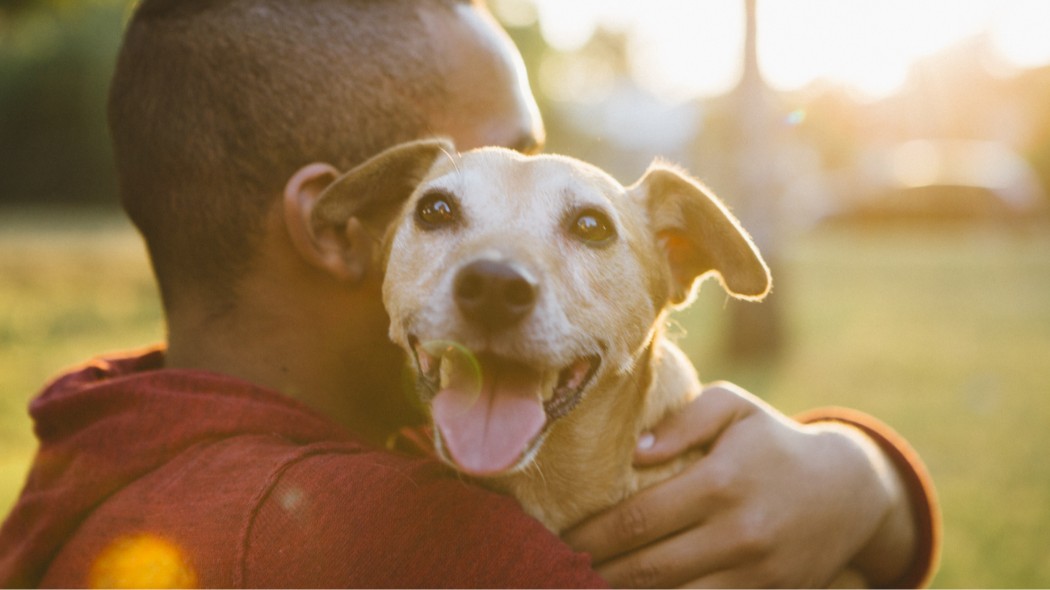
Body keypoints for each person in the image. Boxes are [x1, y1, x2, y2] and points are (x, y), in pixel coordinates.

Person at [0, 0, 939, 587]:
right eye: (451, 204)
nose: (504, 266)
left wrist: (859, 473)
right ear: (344, 225)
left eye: (577, 221)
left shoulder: (107, 443)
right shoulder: (437, 547)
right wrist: (872, 493)